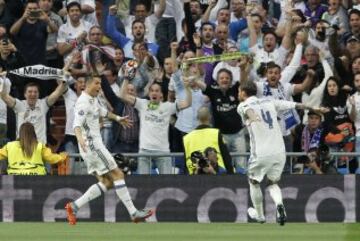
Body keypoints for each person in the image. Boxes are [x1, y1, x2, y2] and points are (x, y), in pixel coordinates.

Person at [65, 75, 153, 225]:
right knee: (118, 174)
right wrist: (80, 138)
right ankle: (133, 213)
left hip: (92, 147)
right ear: (87, 84)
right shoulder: (83, 103)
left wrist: (118, 119)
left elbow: (103, 112)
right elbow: (76, 125)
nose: (99, 86)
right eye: (96, 83)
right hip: (93, 146)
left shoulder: (93, 99)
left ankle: (74, 206)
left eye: (100, 83)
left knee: (107, 182)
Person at [237, 80, 326, 225]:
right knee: (272, 182)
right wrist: (314, 108)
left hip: (260, 152)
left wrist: (254, 118)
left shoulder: (243, 105)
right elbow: (296, 105)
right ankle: (279, 204)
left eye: (239, 91)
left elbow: (249, 111)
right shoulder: (270, 101)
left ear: (243, 92)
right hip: (279, 151)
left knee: (253, 181)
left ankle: (259, 215)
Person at [119, 70, 192, 174]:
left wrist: (188, 88)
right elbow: (122, 95)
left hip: (163, 152)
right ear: (149, 93)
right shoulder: (142, 104)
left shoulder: (167, 107)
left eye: (157, 91)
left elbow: (188, 103)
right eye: (152, 90)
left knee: (166, 184)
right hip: (145, 151)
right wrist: (126, 78)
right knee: (144, 185)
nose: (154, 92)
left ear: (161, 94)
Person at [0, 122, 67, 175]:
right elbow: (52, 158)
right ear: (33, 133)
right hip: (37, 180)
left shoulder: (10, 146)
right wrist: (62, 156)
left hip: (14, 180)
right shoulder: (39, 146)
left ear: (20, 133)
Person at [183, 106, 233, 175]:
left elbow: (186, 161)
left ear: (197, 118)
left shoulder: (186, 138)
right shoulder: (216, 133)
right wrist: (231, 174)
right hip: (216, 173)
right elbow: (226, 156)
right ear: (210, 117)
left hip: (194, 174)